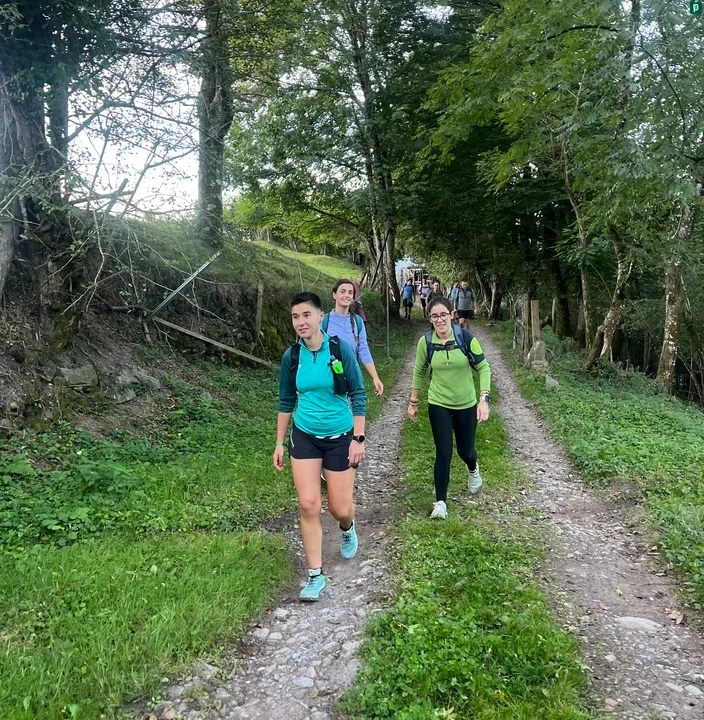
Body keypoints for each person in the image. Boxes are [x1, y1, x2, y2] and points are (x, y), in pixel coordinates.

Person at [274, 291, 367, 601]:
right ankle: (315, 575)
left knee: (339, 508)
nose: (300, 322)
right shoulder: (292, 357)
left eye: (306, 315)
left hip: (341, 436)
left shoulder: (340, 350)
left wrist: (358, 438)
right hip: (305, 436)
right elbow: (286, 401)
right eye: (295, 316)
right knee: (308, 504)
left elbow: (358, 394)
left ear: (319, 317)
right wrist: (279, 443)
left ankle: (347, 526)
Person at [407, 296, 491, 519]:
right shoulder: (426, 342)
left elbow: (483, 368)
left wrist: (483, 399)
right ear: (430, 319)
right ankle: (440, 503)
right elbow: (419, 371)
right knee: (443, 452)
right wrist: (413, 402)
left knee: (465, 451)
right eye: (434, 316)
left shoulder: (466, 338)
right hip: (438, 403)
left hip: (466, 403)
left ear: (451, 315)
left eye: (443, 314)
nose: (440, 319)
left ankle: (472, 468)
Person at [323, 279, 384, 396]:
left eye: (350, 292)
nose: (347, 295)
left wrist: (375, 377)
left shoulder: (357, 321)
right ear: (334, 295)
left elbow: (363, 350)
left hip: (351, 379)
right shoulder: (324, 321)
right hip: (328, 381)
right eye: (343, 291)